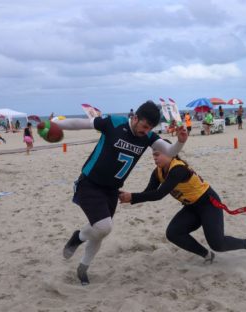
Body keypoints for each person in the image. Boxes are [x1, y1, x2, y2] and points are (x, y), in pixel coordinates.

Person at [59, 101, 188, 285]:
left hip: (112, 189)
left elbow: (169, 150)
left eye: (150, 128)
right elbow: (81, 124)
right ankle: (77, 237)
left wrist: (181, 141)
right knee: (104, 227)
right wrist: (55, 124)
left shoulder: (148, 137)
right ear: (135, 118)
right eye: (144, 126)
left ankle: (83, 268)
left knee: (100, 232)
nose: (146, 130)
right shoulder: (113, 123)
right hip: (90, 183)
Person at [118, 142, 246, 263]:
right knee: (173, 233)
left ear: (171, 153)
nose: (154, 158)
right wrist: (123, 195)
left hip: (208, 204)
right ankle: (207, 255)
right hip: (192, 207)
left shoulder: (178, 169)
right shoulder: (158, 171)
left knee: (218, 244)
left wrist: (132, 197)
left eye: (157, 154)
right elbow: (148, 193)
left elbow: (159, 194)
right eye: (153, 155)